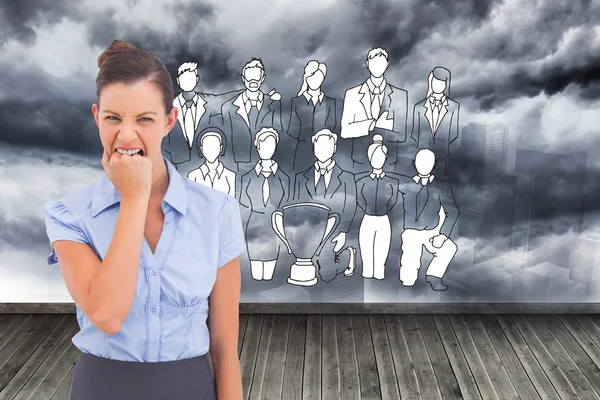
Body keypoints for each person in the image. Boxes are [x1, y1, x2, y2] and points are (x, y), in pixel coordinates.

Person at [42, 40, 245, 400]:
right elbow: (107, 315)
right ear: (96, 116)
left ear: (169, 121)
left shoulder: (215, 211)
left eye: (144, 119)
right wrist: (134, 198)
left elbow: (225, 346)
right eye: (113, 118)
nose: (126, 135)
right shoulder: (70, 215)